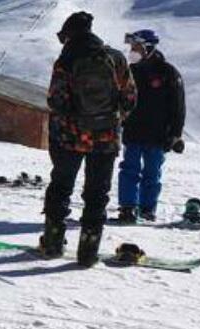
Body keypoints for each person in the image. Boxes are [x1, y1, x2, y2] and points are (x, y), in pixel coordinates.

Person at [40, 11, 136, 264]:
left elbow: (55, 100)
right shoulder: (115, 58)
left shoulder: (66, 60)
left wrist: (69, 122)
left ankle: (52, 243)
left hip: (69, 139)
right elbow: (130, 97)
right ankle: (88, 251)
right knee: (97, 194)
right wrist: (113, 119)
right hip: (105, 140)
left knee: (60, 188)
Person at [116, 29, 186, 224]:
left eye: (136, 47)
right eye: (131, 47)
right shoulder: (130, 71)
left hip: (158, 134)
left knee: (152, 173)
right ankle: (128, 207)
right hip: (133, 131)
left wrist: (175, 135)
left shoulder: (168, 72)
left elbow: (178, 106)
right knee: (129, 169)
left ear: (148, 47)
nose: (132, 51)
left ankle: (147, 209)